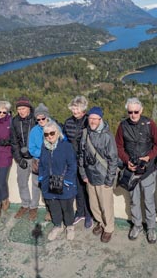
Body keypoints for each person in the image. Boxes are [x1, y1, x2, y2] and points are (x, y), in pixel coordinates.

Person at [115, 97, 157, 243]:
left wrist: (149, 157)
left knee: (149, 201)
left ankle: (151, 228)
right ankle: (137, 225)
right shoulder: (122, 126)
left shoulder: (150, 124)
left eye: (136, 111)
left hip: (148, 170)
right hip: (131, 171)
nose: (133, 114)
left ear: (141, 110)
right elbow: (118, 146)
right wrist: (127, 161)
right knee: (134, 200)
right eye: (130, 112)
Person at [79, 107, 118, 243]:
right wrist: (83, 173)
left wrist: (109, 180)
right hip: (90, 176)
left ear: (100, 119)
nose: (92, 121)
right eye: (90, 118)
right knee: (94, 205)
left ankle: (109, 228)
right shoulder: (85, 133)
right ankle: (101, 223)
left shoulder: (107, 136)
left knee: (106, 206)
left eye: (95, 118)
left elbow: (113, 159)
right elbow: (81, 155)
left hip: (103, 177)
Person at [38, 119, 78, 241]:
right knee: (54, 206)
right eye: (46, 134)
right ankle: (57, 225)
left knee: (67, 206)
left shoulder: (66, 146)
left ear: (58, 132)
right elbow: (41, 165)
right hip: (49, 182)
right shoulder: (44, 147)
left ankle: (69, 226)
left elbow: (72, 165)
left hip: (64, 182)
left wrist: (68, 180)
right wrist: (41, 177)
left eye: (52, 133)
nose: (49, 136)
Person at [63, 95, 93, 228]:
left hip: (86, 162)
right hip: (72, 160)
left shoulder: (89, 122)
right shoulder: (68, 122)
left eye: (78, 109)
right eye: (74, 109)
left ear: (84, 110)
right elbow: (64, 141)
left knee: (87, 189)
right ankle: (80, 212)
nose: (75, 112)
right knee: (77, 188)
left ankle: (89, 214)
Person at [10, 96, 40, 220]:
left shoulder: (36, 119)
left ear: (29, 108)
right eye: (19, 109)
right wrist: (18, 158)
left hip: (35, 158)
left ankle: (34, 207)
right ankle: (25, 204)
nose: (21, 111)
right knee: (22, 182)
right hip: (22, 157)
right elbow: (14, 142)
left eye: (23, 108)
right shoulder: (15, 121)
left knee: (36, 183)